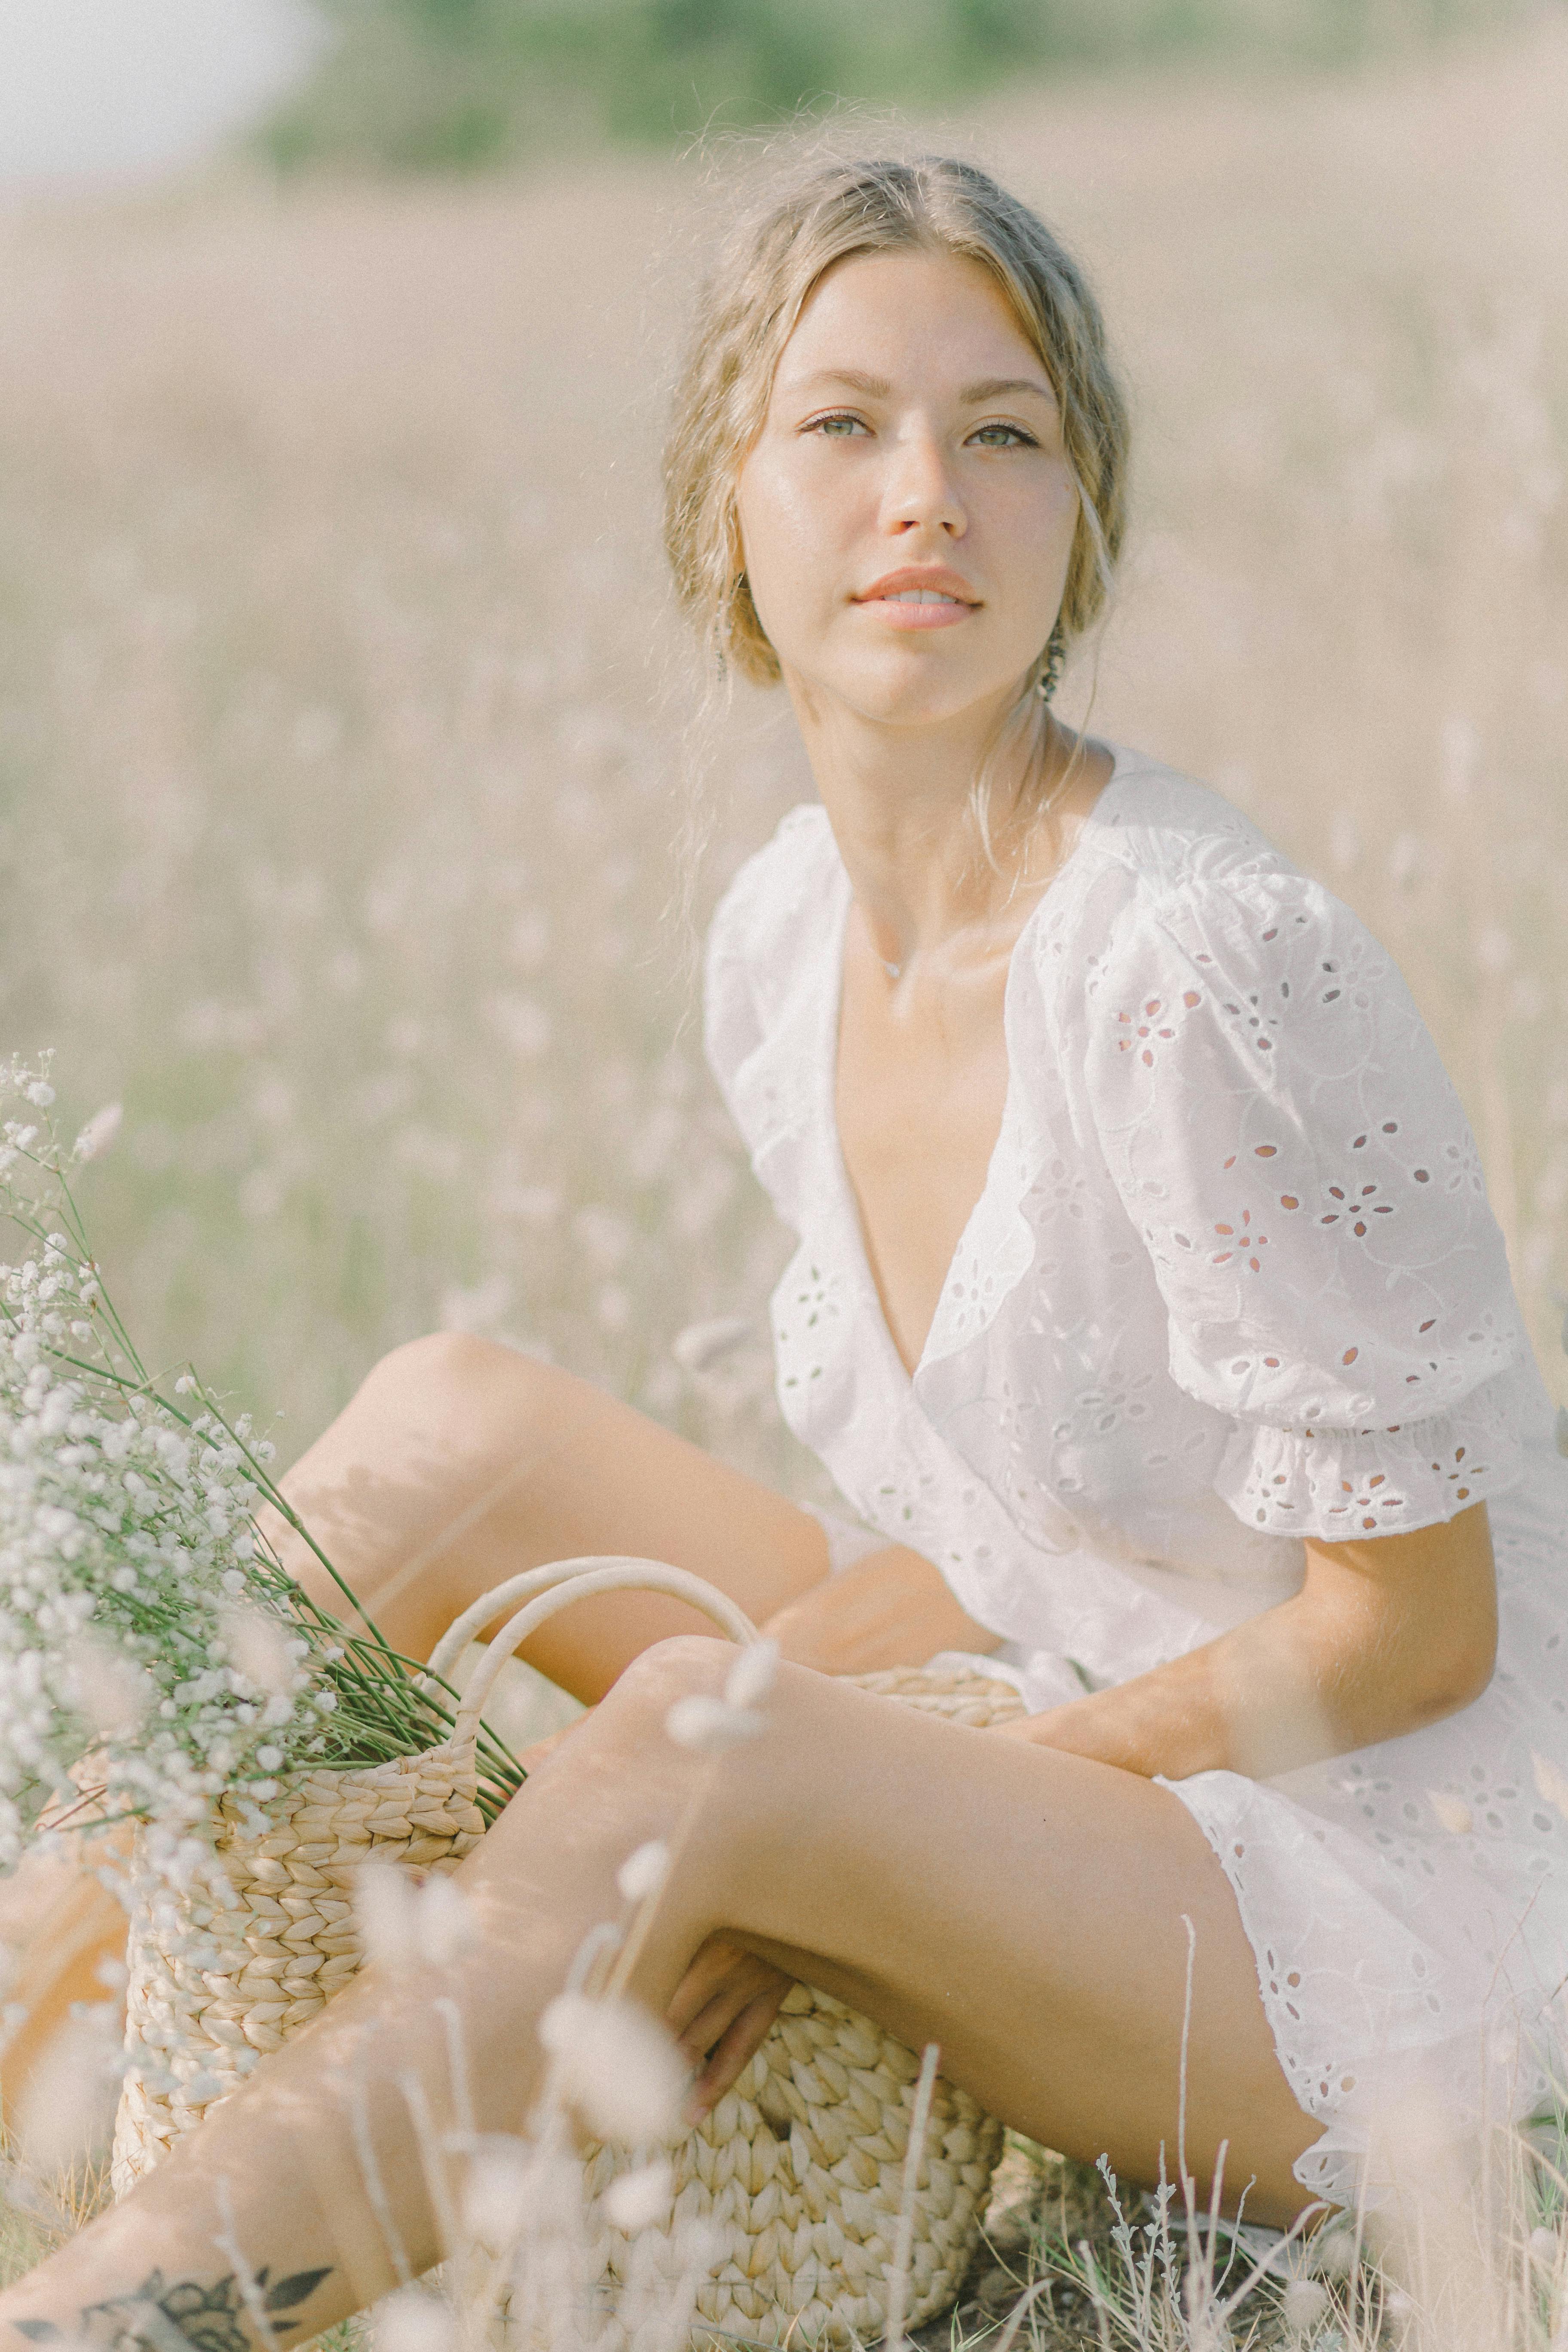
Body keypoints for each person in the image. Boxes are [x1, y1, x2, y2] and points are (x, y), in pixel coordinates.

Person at [3, 152, 1565, 2344]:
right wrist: (685, 1819)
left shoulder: (1205, 966)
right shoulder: (785, 939)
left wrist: (801, 1794)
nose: (924, 490)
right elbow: (1014, 1537)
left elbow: (1413, 1637)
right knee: (452, 1425)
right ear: (722, 516)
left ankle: (105, 2316)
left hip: (1388, 1894)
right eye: (841, 425)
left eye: (1002, 431)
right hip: (1083, 1699)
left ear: (1078, 521)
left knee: (702, 1741)